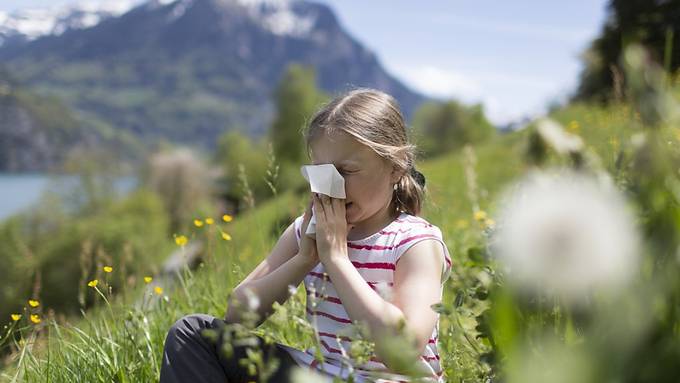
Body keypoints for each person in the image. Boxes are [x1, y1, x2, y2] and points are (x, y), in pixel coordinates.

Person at [160, 88, 452, 383]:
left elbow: (403, 351)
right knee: (192, 334)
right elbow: (237, 314)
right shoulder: (306, 232)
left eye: (347, 171)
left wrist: (336, 260)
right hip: (321, 375)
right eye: (322, 172)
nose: (332, 185)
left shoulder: (415, 242)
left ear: (395, 167)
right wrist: (305, 259)